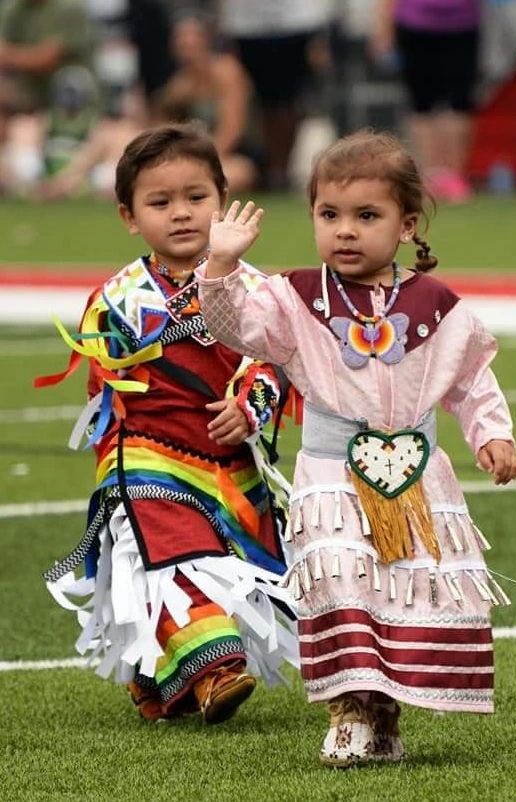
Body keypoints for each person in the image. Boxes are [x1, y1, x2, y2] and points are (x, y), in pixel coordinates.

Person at [196, 130, 516, 766]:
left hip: (416, 480)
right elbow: (235, 329)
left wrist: (493, 433)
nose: (345, 230)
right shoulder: (295, 297)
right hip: (330, 478)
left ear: (407, 224)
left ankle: (385, 711)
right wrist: (221, 266)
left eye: (366, 216)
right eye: (329, 214)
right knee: (342, 581)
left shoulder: (437, 306)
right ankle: (347, 711)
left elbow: (471, 379)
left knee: (401, 590)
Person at [37, 123, 298, 724]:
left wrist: (251, 408)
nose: (181, 213)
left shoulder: (254, 289)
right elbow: (103, 392)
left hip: (229, 461)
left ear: (222, 200)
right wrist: (114, 460)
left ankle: (156, 673)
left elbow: (275, 363)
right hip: (144, 455)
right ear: (129, 216)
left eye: (196, 197)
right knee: (166, 549)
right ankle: (215, 670)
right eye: (160, 202)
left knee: (225, 565)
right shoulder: (117, 298)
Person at [371, 0, 481, 203]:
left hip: (447, 23)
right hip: (428, 23)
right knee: (441, 104)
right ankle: (442, 176)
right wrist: (385, 25)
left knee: (435, 104)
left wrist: (384, 25)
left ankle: (443, 175)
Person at [218, 0, 333, 190]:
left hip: (295, 25)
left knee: (287, 105)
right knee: (259, 105)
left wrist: (319, 35)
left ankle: (281, 171)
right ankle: (270, 170)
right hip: (245, 28)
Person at [0, 0, 97, 188]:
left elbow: (47, 58)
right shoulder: (13, 8)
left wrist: (8, 55)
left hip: (75, 105)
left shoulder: (69, 7)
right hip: (29, 101)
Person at [157, 11, 257, 192]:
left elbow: (233, 129)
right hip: (193, 154)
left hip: (233, 154)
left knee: (235, 174)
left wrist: (203, 159)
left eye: (192, 45)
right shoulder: (179, 84)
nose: (187, 53)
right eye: (182, 46)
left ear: (206, 42)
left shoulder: (227, 72)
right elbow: (161, 125)